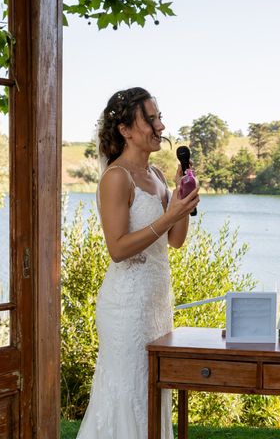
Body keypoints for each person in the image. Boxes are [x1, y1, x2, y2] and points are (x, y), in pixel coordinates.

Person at [77, 87, 200, 439]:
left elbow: (174, 241)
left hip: (157, 302)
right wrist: (168, 215)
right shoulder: (117, 177)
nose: (160, 125)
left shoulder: (159, 175)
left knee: (153, 393)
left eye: (159, 116)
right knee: (128, 392)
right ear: (125, 130)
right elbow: (117, 249)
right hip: (127, 308)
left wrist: (181, 201)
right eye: (150, 119)